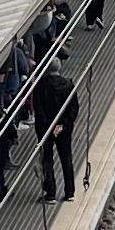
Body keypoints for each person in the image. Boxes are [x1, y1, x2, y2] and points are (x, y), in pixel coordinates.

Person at [37, 58, 82, 201]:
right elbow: (74, 108)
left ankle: (50, 193)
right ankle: (70, 192)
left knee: (47, 159)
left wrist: (49, 127)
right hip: (64, 128)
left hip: (46, 128)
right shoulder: (69, 85)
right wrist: (63, 125)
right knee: (66, 158)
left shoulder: (41, 86)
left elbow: (38, 109)